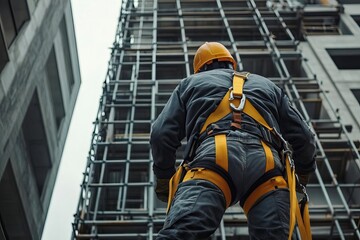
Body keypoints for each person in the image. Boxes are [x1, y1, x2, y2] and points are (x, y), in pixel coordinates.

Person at [150, 42, 316, 239]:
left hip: (213, 160)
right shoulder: (269, 86)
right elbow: (304, 137)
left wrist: (164, 179)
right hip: (268, 167)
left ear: (200, 68)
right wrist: (302, 176)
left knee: (181, 234)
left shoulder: (190, 84)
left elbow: (161, 134)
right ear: (231, 64)